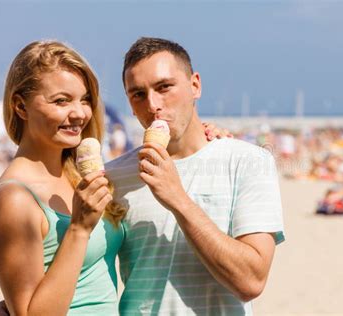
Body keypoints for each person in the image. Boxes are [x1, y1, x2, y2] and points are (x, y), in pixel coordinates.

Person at [105, 37, 285, 315]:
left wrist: (177, 198)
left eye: (164, 87)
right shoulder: (115, 176)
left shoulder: (248, 162)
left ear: (195, 85)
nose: (153, 104)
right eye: (138, 94)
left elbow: (251, 281)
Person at [0, 41, 125, 315]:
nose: (80, 113)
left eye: (85, 99)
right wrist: (78, 229)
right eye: (61, 101)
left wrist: (212, 139)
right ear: (20, 106)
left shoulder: (77, 173)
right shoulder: (14, 198)